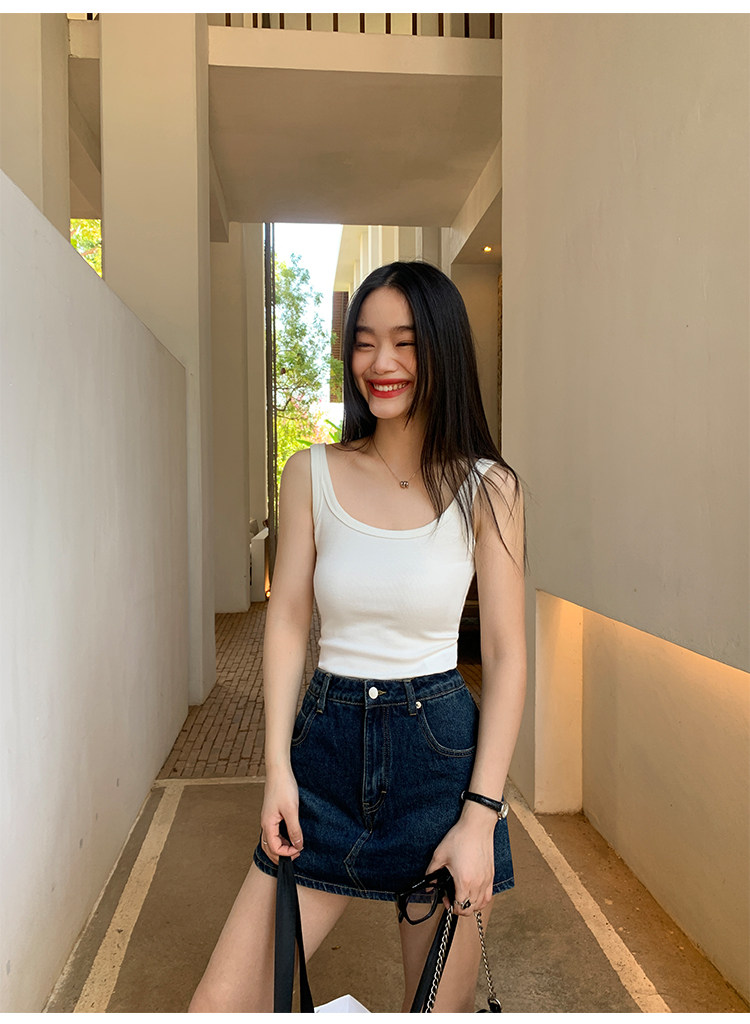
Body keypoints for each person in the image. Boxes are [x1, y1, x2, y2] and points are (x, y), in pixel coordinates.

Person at [189, 260, 527, 1013]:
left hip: (442, 769)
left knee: (436, 1010)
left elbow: (506, 658)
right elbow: (288, 619)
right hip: (328, 757)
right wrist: (277, 768)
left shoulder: (488, 488)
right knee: (218, 1007)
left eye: (404, 341)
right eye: (365, 341)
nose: (380, 362)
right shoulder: (310, 473)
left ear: (441, 348)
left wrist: (481, 814)